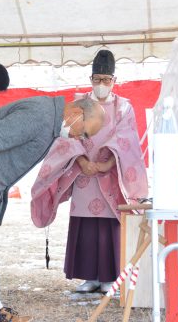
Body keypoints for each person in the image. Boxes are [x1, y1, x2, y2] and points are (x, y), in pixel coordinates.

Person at [0, 96, 105, 322]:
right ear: (76, 113)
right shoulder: (39, 116)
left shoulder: (48, 119)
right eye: (84, 132)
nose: (79, 138)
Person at [30, 50, 148, 294]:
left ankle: (109, 277)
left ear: (114, 80)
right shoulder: (78, 102)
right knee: (84, 222)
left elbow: (127, 140)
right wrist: (82, 160)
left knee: (108, 224)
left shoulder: (123, 107)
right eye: (97, 79)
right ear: (91, 78)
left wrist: (106, 164)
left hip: (110, 170)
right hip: (81, 170)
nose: (101, 84)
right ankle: (89, 277)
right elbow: (66, 135)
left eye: (107, 79)